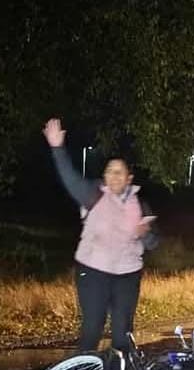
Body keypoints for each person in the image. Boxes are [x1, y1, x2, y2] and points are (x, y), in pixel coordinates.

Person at [43, 119, 157, 353]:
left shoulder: (141, 206)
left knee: (123, 334)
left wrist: (145, 234)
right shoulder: (93, 194)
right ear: (104, 176)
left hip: (128, 275)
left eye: (119, 172)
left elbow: (154, 242)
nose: (114, 176)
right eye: (109, 172)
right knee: (92, 329)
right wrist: (57, 147)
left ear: (129, 178)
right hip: (93, 271)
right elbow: (69, 178)